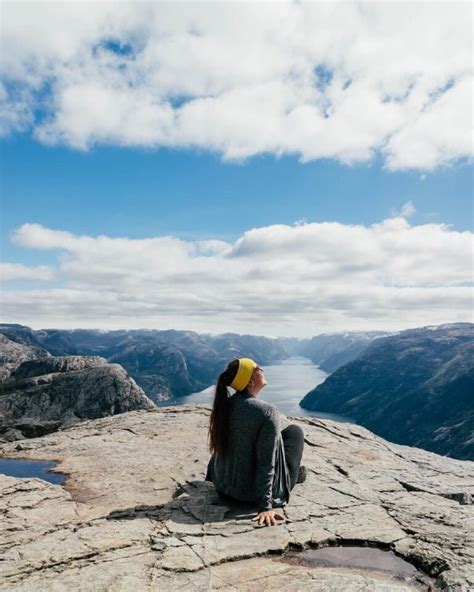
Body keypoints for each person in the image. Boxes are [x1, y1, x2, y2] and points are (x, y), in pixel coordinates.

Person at [205, 358, 305, 527]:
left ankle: (292, 472)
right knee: (295, 432)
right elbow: (266, 462)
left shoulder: (224, 406)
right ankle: (294, 475)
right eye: (258, 368)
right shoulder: (266, 411)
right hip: (251, 495)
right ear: (250, 381)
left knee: (280, 436)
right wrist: (265, 507)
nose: (262, 369)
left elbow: (221, 448)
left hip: (224, 490)